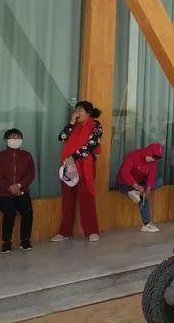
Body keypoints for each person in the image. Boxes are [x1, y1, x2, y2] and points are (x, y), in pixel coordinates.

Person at [52, 101, 102, 243]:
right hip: (68, 166)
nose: (77, 113)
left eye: (80, 111)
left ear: (88, 112)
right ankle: (65, 232)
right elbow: (62, 137)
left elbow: (91, 144)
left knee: (86, 199)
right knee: (67, 200)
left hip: (84, 166)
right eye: (76, 110)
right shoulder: (74, 126)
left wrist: (73, 157)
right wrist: (71, 123)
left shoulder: (96, 125)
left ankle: (92, 231)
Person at [0, 129, 35, 253]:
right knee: (10, 212)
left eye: (18, 137)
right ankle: (6, 242)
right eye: (13, 137)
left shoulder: (27, 155)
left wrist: (19, 186)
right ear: (6, 140)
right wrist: (10, 187)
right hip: (2, 194)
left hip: (21, 191)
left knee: (28, 211)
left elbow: (31, 174)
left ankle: (25, 240)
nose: (16, 140)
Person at [115, 142, 164, 232]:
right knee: (138, 192)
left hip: (140, 183)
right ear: (149, 152)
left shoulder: (153, 162)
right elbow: (124, 172)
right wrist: (136, 186)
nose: (154, 159)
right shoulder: (134, 155)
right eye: (154, 157)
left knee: (159, 182)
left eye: (157, 158)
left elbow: (151, 175)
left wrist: (148, 189)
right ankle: (147, 223)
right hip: (125, 182)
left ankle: (136, 193)